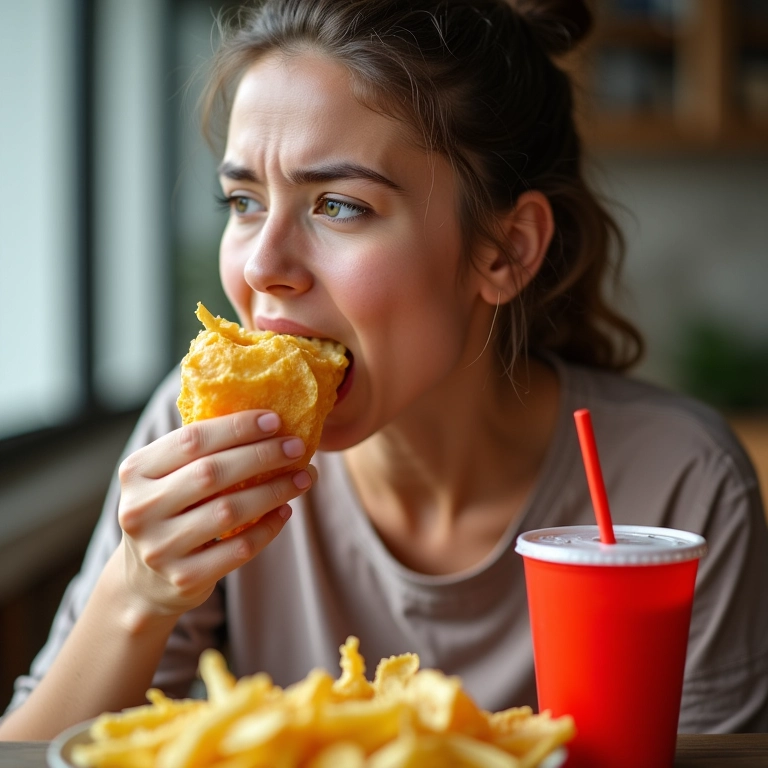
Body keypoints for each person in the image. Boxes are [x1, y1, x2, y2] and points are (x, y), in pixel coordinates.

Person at [2, 0, 767, 740]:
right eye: (242, 200)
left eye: (338, 205)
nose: (262, 266)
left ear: (506, 250)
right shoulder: (202, 441)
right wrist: (136, 593)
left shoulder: (681, 485)